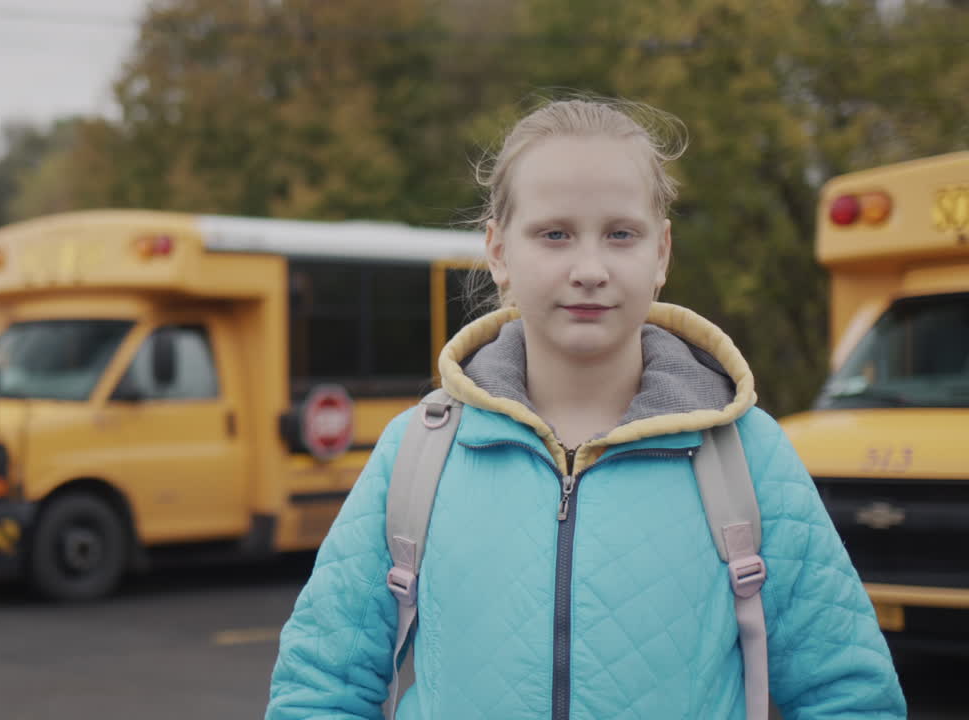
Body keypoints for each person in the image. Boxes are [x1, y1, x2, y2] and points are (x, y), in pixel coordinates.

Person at [265, 98, 905, 719]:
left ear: (661, 253)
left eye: (621, 234)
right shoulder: (417, 451)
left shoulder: (747, 453)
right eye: (555, 234)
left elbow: (847, 694)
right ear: (498, 251)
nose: (591, 267)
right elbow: (320, 687)